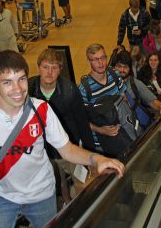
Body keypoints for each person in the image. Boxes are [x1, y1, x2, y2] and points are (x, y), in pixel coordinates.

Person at [0, 50, 125, 228]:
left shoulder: (42, 110)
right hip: (2, 195)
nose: (18, 89)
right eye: (7, 82)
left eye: (21, 79)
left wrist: (97, 159)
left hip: (41, 195)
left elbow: (67, 149)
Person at [28, 48, 95, 203]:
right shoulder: (29, 88)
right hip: (41, 150)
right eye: (45, 67)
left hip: (67, 147)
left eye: (54, 67)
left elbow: (82, 124)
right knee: (55, 182)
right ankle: (64, 201)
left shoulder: (70, 90)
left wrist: (89, 156)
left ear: (60, 70)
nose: (49, 72)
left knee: (80, 182)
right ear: (38, 68)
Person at [78, 44, 130, 158]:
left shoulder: (115, 74)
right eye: (96, 59)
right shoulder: (84, 89)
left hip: (123, 134)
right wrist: (101, 130)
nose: (101, 63)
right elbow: (81, 121)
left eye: (103, 58)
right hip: (101, 145)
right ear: (88, 61)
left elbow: (124, 98)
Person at [114, 50, 161, 116]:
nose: (122, 70)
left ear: (129, 68)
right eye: (119, 66)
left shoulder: (135, 83)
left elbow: (152, 100)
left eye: (125, 67)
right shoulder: (108, 81)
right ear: (115, 67)